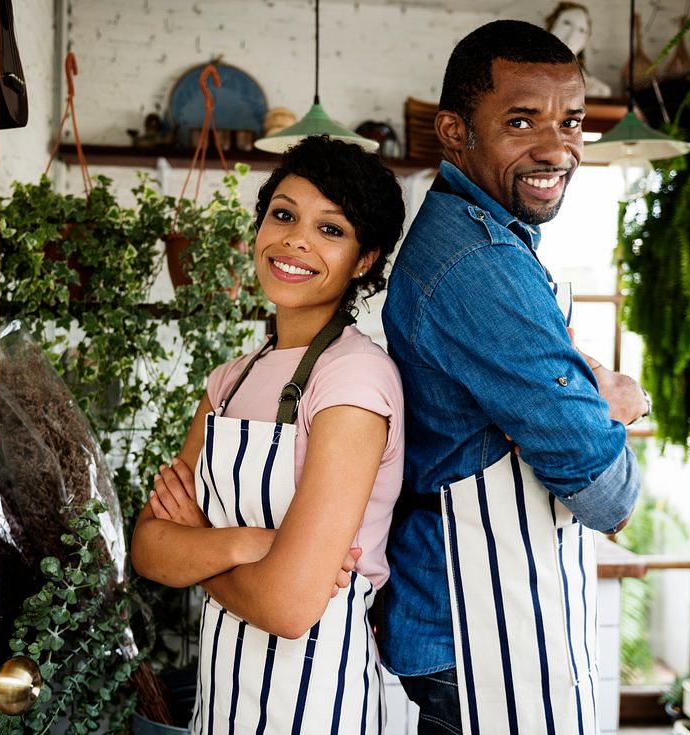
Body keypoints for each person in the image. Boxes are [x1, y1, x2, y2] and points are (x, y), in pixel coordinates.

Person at [379, 20, 648, 734]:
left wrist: (583, 403)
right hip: (474, 628)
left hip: (496, 618)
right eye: (522, 121)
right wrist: (615, 404)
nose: (557, 147)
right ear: (454, 131)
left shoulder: (491, 235)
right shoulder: (479, 265)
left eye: (572, 121)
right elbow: (609, 496)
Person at [131, 135, 406, 733]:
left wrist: (197, 544)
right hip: (222, 694)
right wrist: (245, 544)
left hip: (315, 701)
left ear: (364, 261)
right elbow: (149, 548)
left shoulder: (353, 379)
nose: (296, 240)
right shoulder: (229, 381)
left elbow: (290, 607)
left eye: (331, 230)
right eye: (283, 215)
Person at [544, 1, 613, 97]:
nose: (572, 36)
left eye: (582, 30)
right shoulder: (526, 74)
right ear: (551, 24)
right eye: (567, 23)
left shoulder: (598, 90)